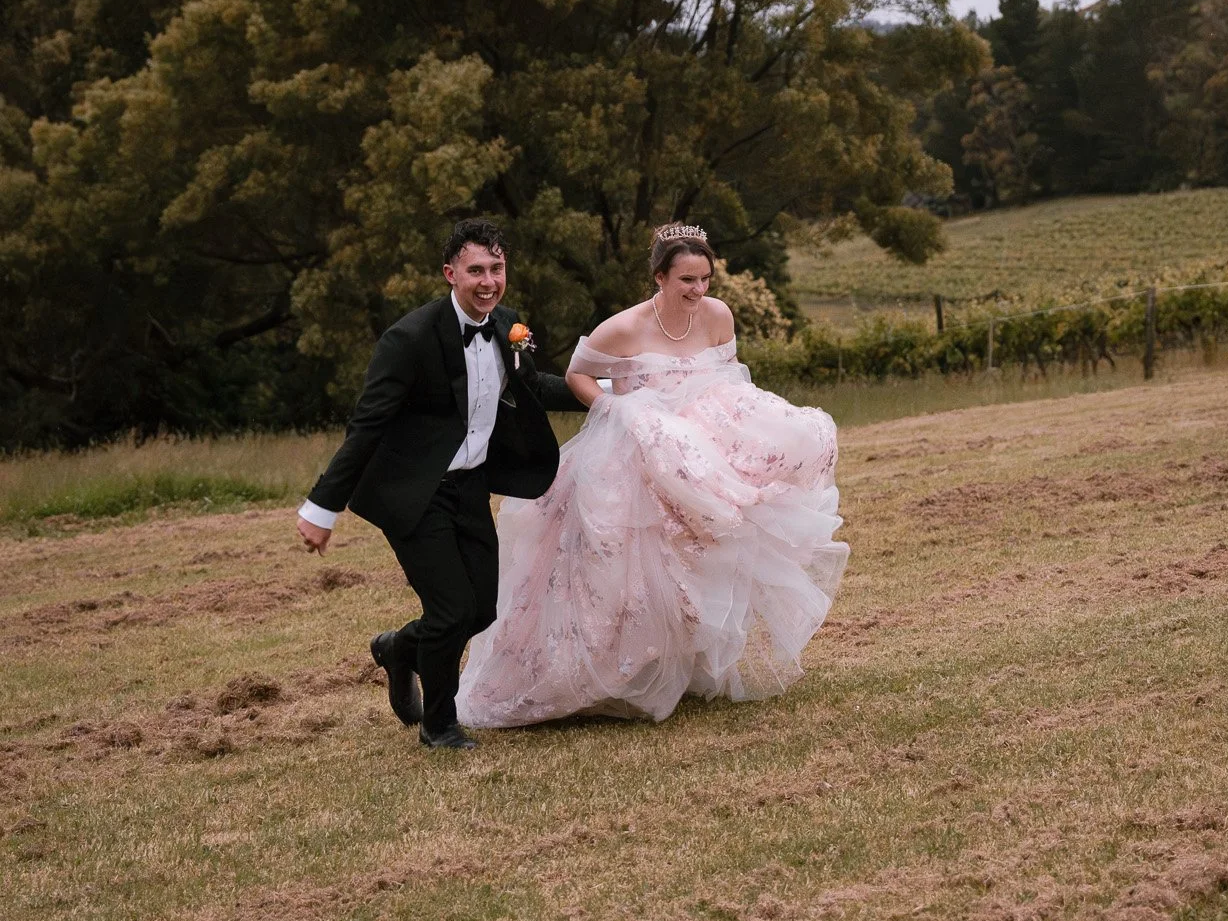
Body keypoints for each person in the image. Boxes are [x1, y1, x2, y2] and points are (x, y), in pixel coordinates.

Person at [458, 223, 848, 728]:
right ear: (659, 277)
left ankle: (679, 664)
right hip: (639, 446)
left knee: (771, 476)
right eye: (687, 279)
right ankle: (589, 675)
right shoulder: (621, 328)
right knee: (621, 568)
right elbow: (578, 374)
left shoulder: (719, 315)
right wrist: (616, 410)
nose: (698, 290)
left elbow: (730, 376)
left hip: (703, 443)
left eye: (705, 278)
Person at [296, 220, 584, 751]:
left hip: (470, 486)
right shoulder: (408, 338)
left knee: (480, 610)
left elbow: (532, 386)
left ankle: (400, 648)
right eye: (476, 270)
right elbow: (368, 425)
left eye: (496, 269)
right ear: (450, 273)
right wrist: (321, 507)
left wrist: (604, 390)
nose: (488, 281)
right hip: (413, 490)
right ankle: (439, 725)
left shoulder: (508, 325)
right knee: (451, 611)